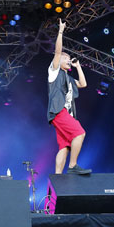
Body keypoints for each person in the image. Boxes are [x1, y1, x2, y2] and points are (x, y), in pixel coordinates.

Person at [47, 19, 91, 175]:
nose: (68, 61)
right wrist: (60, 31)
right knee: (80, 133)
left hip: (64, 114)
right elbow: (58, 52)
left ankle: (57, 178)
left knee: (64, 146)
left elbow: (83, 84)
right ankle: (72, 166)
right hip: (59, 111)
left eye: (69, 59)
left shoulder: (70, 79)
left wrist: (78, 66)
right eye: (66, 59)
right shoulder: (54, 72)